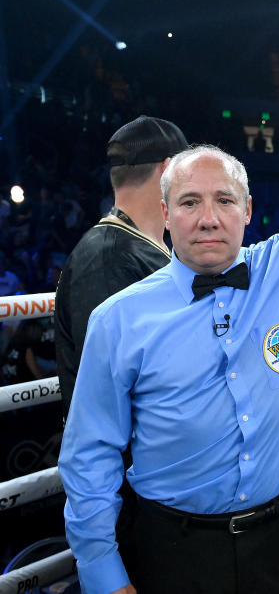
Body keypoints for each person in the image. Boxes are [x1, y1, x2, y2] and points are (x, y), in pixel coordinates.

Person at [58, 81, 279, 594]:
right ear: (166, 216)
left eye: (224, 200)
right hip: (173, 549)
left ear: (248, 210)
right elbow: (90, 456)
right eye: (189, 202)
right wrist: (102, 574)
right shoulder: (119, 319)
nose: (208, 219)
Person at [55, 116, 187, 422]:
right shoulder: (107, 257)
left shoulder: (140, 248)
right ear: (168, 170)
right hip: (131, 461)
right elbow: (109, 384)